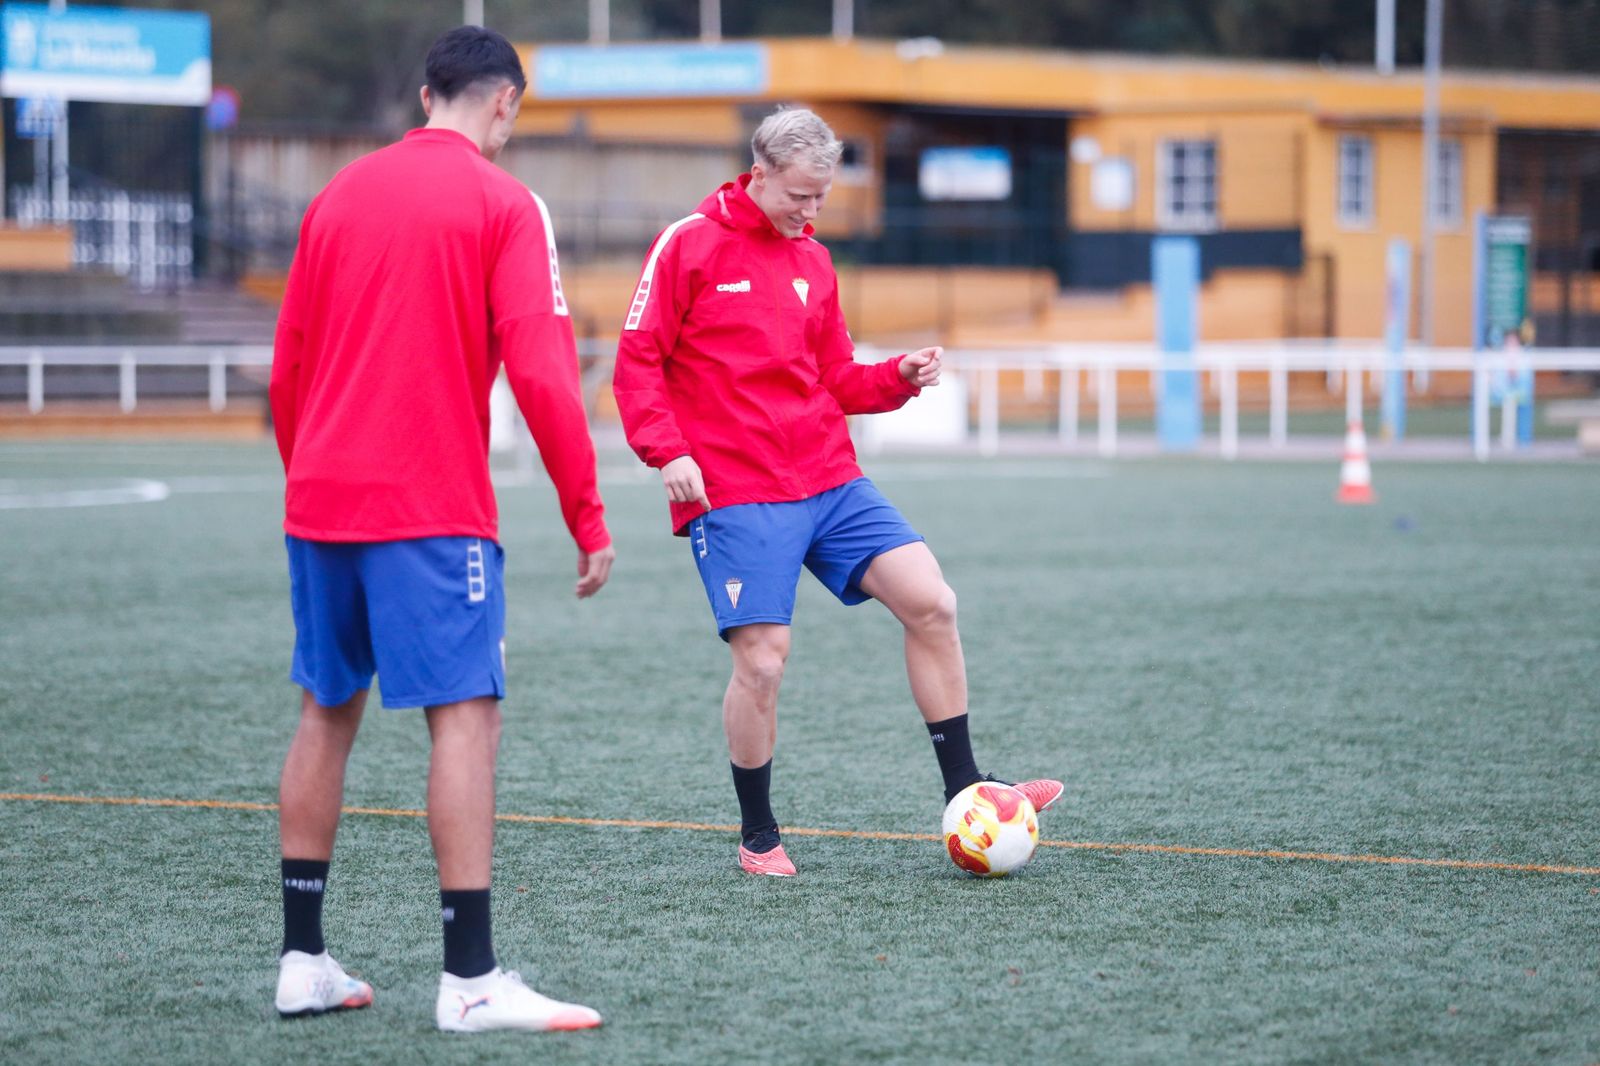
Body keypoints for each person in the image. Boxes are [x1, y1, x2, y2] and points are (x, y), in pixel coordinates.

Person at [267, 26, 613, 1032]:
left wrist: (312, 481)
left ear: (426, 95)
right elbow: (543, 371)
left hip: (321, 501)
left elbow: (289, 364)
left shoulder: (337, 195)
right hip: (428, 507)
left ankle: (303, 961)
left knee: (324, 711)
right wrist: (586, 511)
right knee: (465, 718)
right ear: (504, 102)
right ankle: (469, 981)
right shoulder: (505, 202)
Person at [612, 107, 1062, 878]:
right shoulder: (688, 243)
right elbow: (638, 361)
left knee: (933, 602)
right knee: (763, 662)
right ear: (758, 174)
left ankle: (968, 791)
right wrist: (668, 452)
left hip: (827, 476)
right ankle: (758, 835)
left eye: (822, 197)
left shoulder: (814, 261)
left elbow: (835, 377)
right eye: (799, 196)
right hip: (734, 487)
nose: (811, 211)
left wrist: (898, 378)